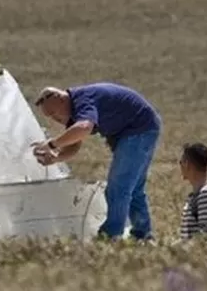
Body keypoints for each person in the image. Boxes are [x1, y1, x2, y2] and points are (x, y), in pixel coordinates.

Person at [30, 83, 162, 242]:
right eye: (49, 117)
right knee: (133, 189)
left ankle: (110, 236)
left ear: (59, 98)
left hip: (138, 130)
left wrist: (51, 144)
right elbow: (74, 145)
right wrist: (56, 157)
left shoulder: (81, 100)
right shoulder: (72, 111)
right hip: (142, 128)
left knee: (118, 187)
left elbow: (84, 128)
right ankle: (143, 235)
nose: (54, 119)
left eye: (52, 113)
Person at [177, 142, 207, 240]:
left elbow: (205, 237)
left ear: (188, 164)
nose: (180, 166)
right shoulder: (196, 195)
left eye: (181, 162)